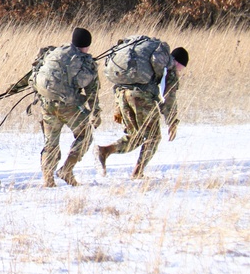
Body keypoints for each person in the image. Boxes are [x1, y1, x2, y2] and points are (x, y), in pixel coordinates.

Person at [95, 41, 188, 179]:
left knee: (135, 136)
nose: (180, 70)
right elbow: (169, 98)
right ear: (179, 62)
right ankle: (138, 172)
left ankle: (104, 151)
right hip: (141, 98)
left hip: (122, 94)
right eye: (182, 67)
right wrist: (172, 121)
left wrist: (118, 108)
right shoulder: (170, 69)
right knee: (154, 137)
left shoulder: (149, 64)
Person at [31, 27, 101, 187]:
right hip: (69, 106)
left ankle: (48, 180)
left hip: (47, 104)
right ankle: (66, 170)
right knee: (86, 135)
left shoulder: (55, 52)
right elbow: (92, 91)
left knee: (51, 142)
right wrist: (96, 112)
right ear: (87, 45)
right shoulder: (85, 62)